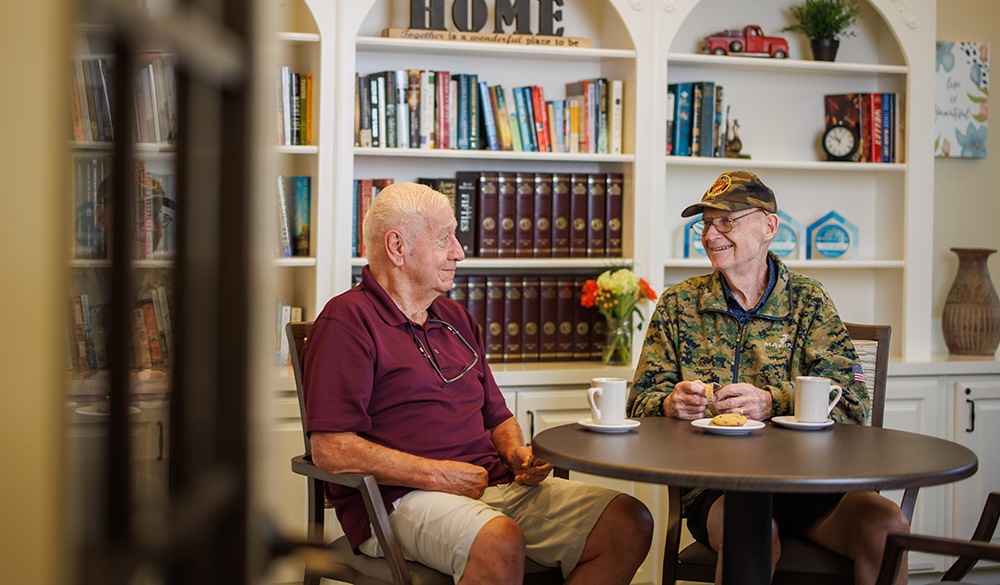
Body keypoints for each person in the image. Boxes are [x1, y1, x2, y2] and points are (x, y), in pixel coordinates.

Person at [301, 181, 652, 584]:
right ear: (397, 247)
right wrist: (436, 474)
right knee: (499, 541)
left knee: (627, 522)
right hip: (399, 500)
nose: (459, 252)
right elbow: (330, 448)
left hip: (492, 484)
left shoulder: (455, 318)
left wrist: (515, 453)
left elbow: (497, 416)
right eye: (444, 238)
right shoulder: (347, 321)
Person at [627, 170, 909, 585]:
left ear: (768, 226)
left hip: (812, 485)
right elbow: (638, 403)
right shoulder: (678, 305)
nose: (710, 234)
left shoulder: (809, 302)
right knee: (753, 533)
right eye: (705, 223)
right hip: (718, 489)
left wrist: (771, 402)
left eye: (726, 221)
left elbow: (853, 403)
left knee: (888, 525)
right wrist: (669, 403)